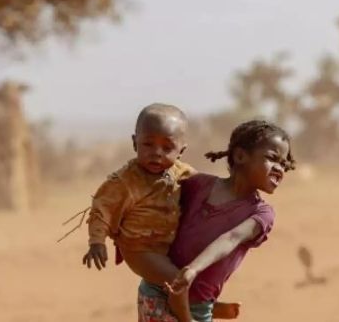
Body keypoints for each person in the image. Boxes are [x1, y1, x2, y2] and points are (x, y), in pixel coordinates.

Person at [141, 120, 296, 322]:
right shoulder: (197, 184)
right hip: (157, 292)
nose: (280, 169)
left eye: (284, 164)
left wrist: (193, 269)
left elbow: (231, 238)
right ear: (240, 156)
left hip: (198, 306)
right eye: (272, 159)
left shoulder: (261, 213)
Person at [82, 103, 196, 321]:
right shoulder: (124, 181)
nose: (156, 153)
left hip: (169, 246)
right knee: (176, 278)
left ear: (181, 150)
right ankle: (187, 318)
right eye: (148, 144)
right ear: (135, 143)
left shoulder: (184, 174)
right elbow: (101, 209)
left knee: (198, 269)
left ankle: (202, 304)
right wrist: (96, 242)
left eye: (167, 147)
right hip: (139, 248)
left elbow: (208, 191)